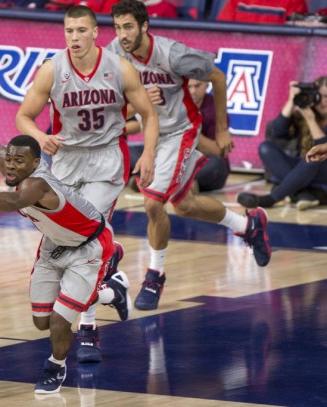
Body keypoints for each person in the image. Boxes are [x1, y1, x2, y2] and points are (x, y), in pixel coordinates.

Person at [16, 5, 159, 363]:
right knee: (65, 243)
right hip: (65, 159)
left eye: (81, 31)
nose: (75, 37)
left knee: (84, 241)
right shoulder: (52, 69)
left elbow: (149, 114)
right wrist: (38, 135)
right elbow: (23, 115)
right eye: (69, 31)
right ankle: (112, 291)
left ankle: (89, 330)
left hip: (107, 159)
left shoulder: (119, 67)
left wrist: (149, 155)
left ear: (96, 33)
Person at [107, 0, 271, 311]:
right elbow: (118, 106)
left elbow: (218, 78)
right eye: (117, 27)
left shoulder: (172, 54)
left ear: (144, 26)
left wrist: (221, 129)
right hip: (152, 131)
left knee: (153, 201)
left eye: (128, 26)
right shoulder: (115, 53)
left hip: (182, 130)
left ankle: (155, 275)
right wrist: (140, 103)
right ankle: (248, 225)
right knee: (184, 206)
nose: (122, 34)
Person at [0, 135, 132, 394]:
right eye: (9, 159)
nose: (11, 165)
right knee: (42, 322)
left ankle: (56, 366)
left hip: (90, 247)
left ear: (36, 162)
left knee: (58, 324)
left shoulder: (38, 184)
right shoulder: (13, 164)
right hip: (54, 243)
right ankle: (112, 291)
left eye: (19, 160)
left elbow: (15, 201)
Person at [126, 78, 231, 193]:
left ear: (206, 84)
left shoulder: (215, 110)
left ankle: (156, 182)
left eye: (197, 86)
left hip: (195, 158)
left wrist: (190, 128)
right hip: (167, 156)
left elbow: (218, 152)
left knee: (217, 164)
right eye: (189, 87)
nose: (193, 91)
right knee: (129, 153)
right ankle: (180, 184)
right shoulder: (170, 100)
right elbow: (142, 124)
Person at [237, 78, 327, 211]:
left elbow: (322, 149)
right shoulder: (304, 113)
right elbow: (277, 132)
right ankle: (304, 193)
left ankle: (273, 198)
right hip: (302, 170)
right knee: (266, 148)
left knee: (313, 157)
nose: (324, 102)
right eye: (321, 96)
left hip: (322, 171)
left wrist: (310, 120)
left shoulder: (309, 116)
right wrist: (291, 101)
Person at [215, 0, 308, 24]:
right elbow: (220, 36)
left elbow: (295, 43)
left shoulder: (294, 2)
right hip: (237, 54)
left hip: (276, 61)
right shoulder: (237, 1)